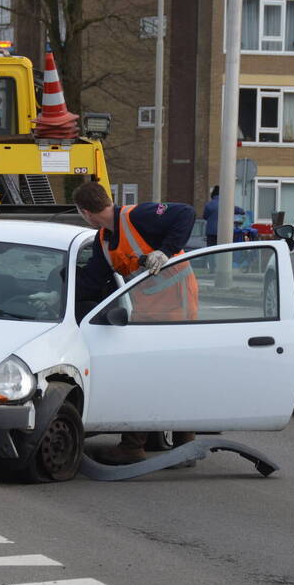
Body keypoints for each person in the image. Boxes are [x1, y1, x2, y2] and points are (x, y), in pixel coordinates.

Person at [74, 181, 198, 465]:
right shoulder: (104, 241)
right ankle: (180, 443)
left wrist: (164, 251)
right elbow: (93, 280)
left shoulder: (138, 216)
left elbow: (186, 213)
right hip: (147, 312)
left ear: (85, 212)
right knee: (162, 375)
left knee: (151, 374)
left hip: (176, 306)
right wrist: (56, 292)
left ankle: (136, 446)